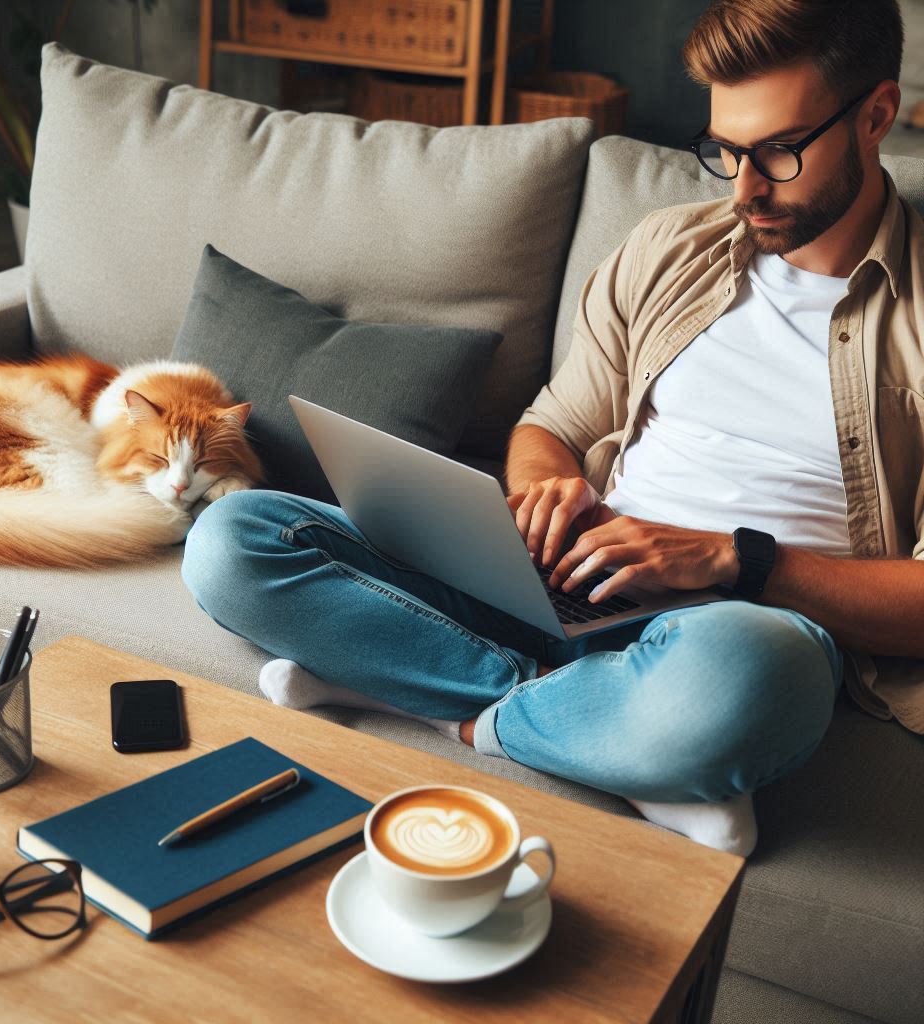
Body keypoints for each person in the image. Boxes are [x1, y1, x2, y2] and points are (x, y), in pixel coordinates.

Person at [180, 0, 923, 857]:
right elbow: (552, 425)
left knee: (751, 684)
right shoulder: (668, 250)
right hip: (562, 588)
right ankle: (608, 740)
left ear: (875, 116)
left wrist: (733, 555)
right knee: (234, 539)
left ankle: (419, 696)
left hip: (737, 626)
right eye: (725, 151)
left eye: (780, 153)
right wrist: (543, 489)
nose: (744, 188)